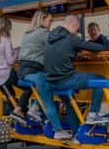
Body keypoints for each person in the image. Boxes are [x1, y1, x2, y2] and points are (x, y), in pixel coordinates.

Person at [44, 15, 108, 135]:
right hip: (65, 80)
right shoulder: (70, 38)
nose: (76, 32)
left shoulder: (50, 36)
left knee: (70, 102)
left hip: (50, 82)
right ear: (73, 25)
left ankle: (76, 134)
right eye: (76, 29)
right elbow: (95, 47)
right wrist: (106, 45)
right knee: (101, 80)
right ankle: (93, 115)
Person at [17, 10, 72, 139]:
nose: (51, 23)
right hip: (35, 72)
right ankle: (58, 131)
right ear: (42, 20)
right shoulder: (44, 33)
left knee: (47, 83)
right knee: (49, 102)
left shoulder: (28, 32)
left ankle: (35, 108)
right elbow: (60, 45)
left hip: (23, 71)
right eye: (50, 20)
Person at [0, 16, 39, 124]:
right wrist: (17, 51)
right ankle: (17, 112)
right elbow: (10, 61)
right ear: (6, 27)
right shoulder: (5, 40)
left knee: (10, 94)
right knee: (31, 86)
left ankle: (16, 118)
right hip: (4, 74)